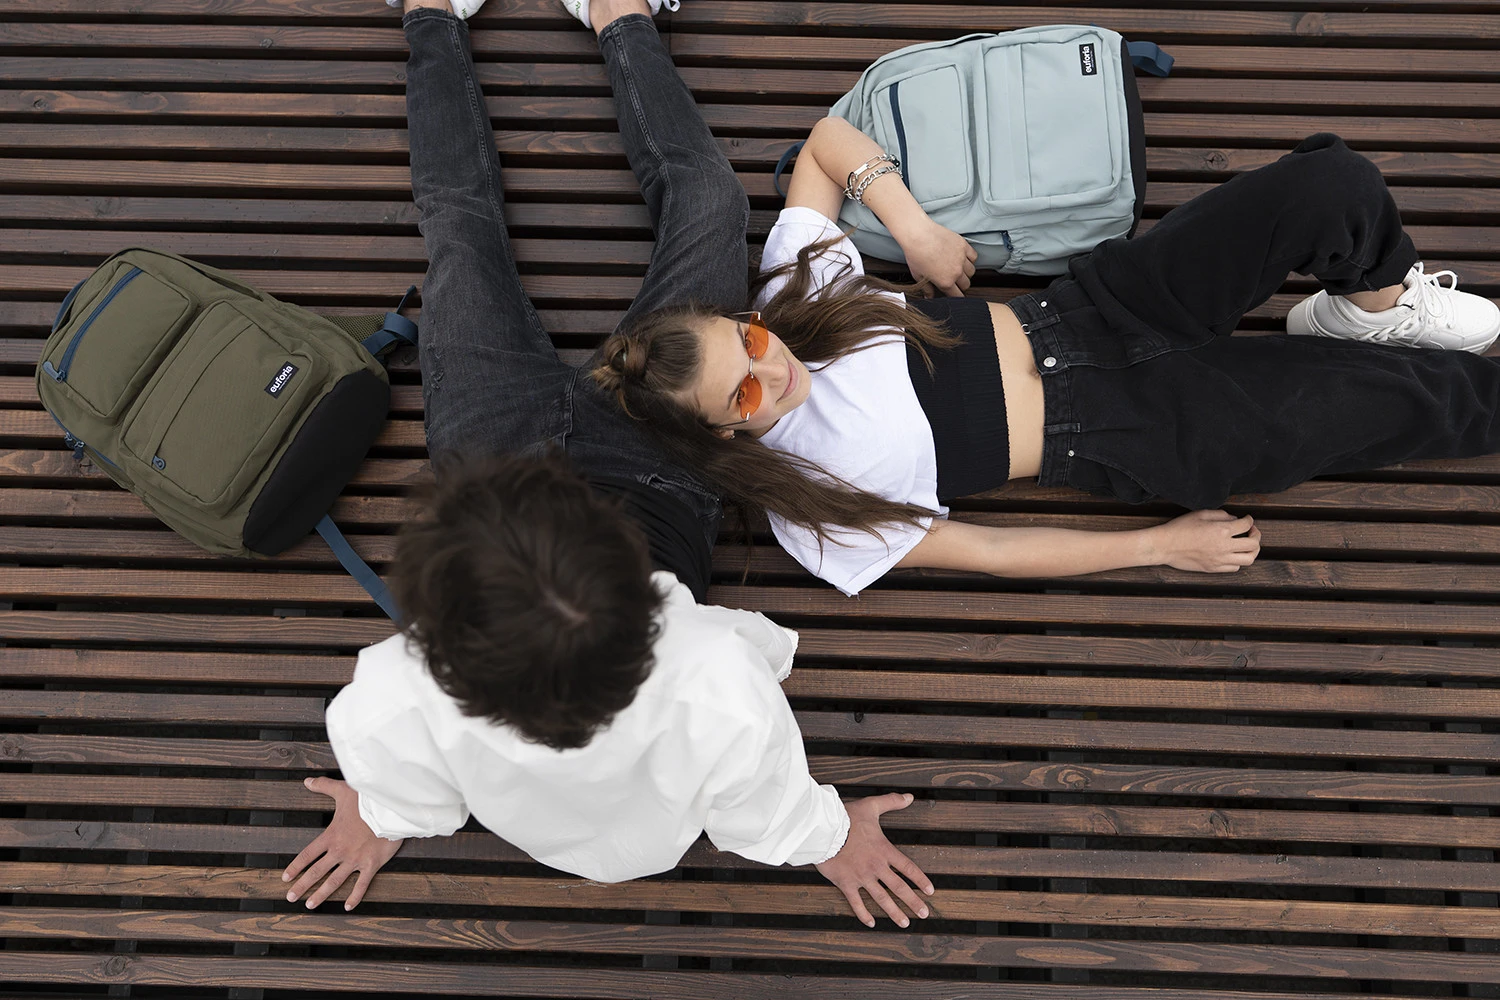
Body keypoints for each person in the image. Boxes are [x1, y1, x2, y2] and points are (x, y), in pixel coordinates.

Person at [278, 0, 936, 932]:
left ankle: (431, 15)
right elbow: (764, 798)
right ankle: (617, 14)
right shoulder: (709, 681)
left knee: (461, 235)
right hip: (647, 468)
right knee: (707, 206)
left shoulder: (393, 692)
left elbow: (399, 775)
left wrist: (381, 813)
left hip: (491, 452)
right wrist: (827, 839)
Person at [592, 113, 1500, 596]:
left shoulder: (798, 294)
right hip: (1132, 429)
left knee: (1330, 184)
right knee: (1415, 403)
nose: (772, 369)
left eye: (748, 343)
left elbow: (828, 145)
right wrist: (1160, 547)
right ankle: (1388, 362)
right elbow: (990, 550)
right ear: (721, 435)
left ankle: (1374, 309)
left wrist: (913, 230)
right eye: (744, 396)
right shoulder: (811, 512)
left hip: (1097, 309)